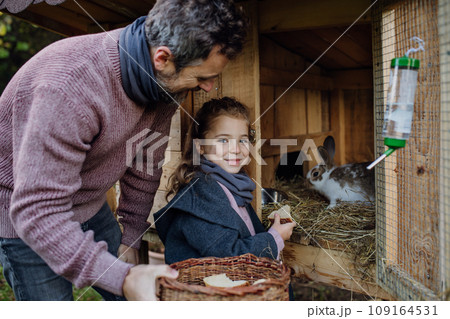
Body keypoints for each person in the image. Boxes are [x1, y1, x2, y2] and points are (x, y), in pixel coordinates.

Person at [0, 0, 247, 301]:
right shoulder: (68, 88)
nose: (208, 87)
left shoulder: (167, 86)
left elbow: (146, 163)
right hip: (27, 216)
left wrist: (130, 236)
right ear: (163, 58)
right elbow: (37, 210)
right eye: (202, 77)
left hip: (90, 202)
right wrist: (122, 276)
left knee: (132, 296)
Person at [154, 97, 296, 265]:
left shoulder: (230, 185)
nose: (236, 150)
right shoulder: (201, 195)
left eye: (242, 140)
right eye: (223, 140)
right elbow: (227, 257)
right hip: (207, 288)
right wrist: (274, 238)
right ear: (201, 147)